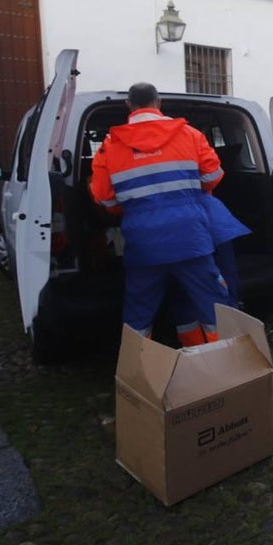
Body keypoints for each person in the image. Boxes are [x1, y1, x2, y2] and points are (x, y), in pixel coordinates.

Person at [89, 82, 230, 347]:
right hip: (191, 239)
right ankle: (224, 365)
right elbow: (214, 175)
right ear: (159, 103)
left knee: (139, 314)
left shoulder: (110, 145)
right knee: (214, 307)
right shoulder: (189, 134)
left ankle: (138, 373)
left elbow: (105, 199)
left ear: (129, 106)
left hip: (144, 244)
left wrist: (132, 204)